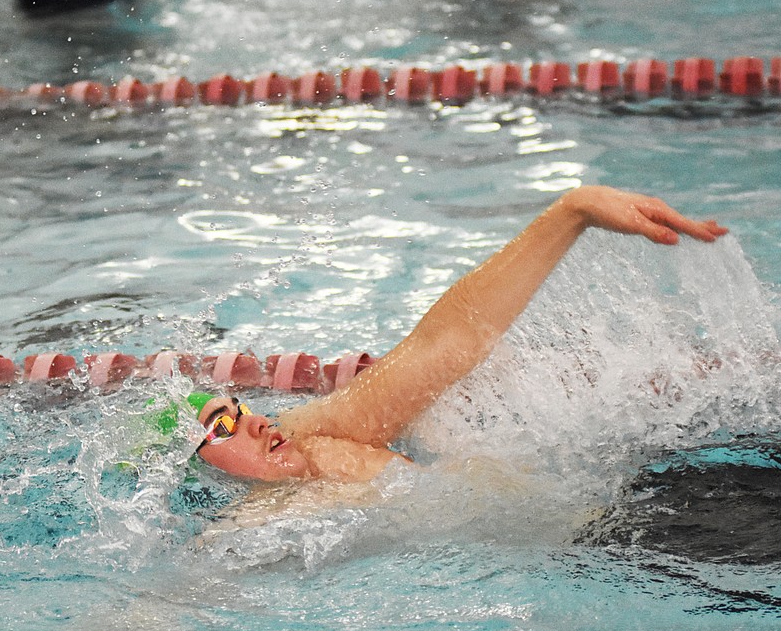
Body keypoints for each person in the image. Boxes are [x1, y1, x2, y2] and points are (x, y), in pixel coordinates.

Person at [188, 186, 728, 483]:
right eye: (222, 427)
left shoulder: (315, 436)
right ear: (190, 475)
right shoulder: (236, 541)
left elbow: (447, 343)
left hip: (650, 507)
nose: (255, 420)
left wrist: (573, 211)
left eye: (238, 409)